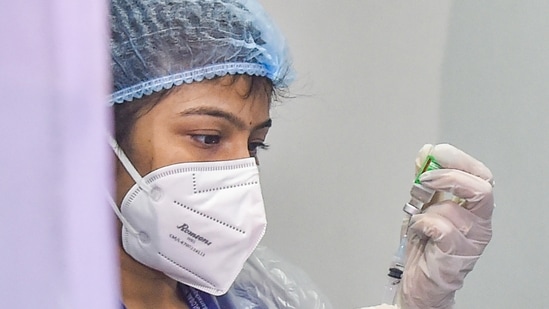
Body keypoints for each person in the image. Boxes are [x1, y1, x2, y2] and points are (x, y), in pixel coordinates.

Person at [107, 0, 495, 308]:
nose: (241, 172)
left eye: (255, 146)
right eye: (208, 137)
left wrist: (418, 305)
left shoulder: (252, 296)